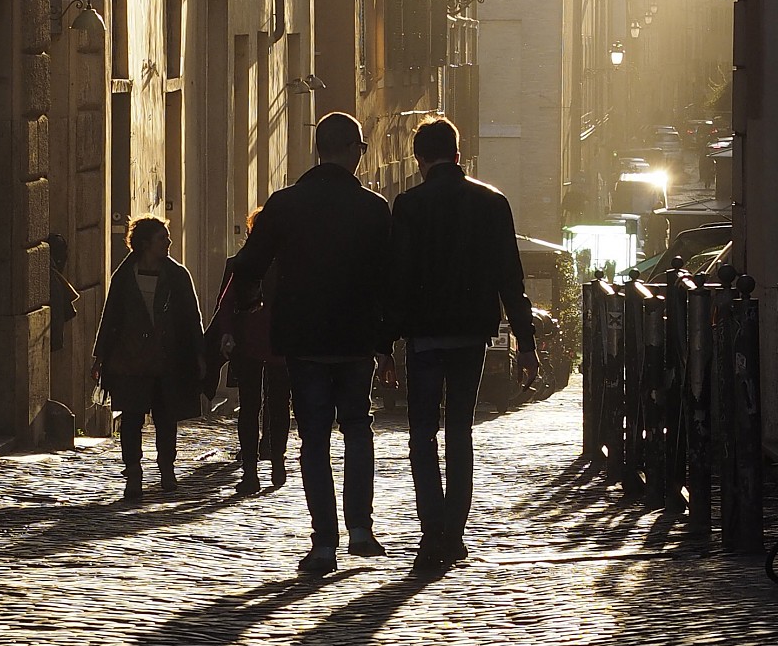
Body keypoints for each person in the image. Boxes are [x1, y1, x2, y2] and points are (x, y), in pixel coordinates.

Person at [229, 112, 394, 578]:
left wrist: (251, 305)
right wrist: (384, 344)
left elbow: (248, 265)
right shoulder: (373, 208)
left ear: (319, 149)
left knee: (314, 439)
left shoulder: (284, 204)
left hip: (302, 340)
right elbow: (387, 281)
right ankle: (360, 530)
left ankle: (324, 542)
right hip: (356, 339)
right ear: (352, 151)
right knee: (358, 430)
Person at [389, 114, 538, 572]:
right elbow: (510, 277)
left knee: (421, 434)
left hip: (425, 334)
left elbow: (397, 277)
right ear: (459, 155)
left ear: (419, 160)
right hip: (472, 333)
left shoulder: (409, 205)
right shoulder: (492, 202)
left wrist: (386, 343)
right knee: (460, 430)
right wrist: (525, 341)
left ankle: (431, 528)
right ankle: (453, 530)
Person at [91, 216, 206, 501]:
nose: (168, 243)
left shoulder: (177, 276)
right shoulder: (125, 276)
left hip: (168, 360)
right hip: (130, 361)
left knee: (166, 417)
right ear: (145, 244)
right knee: (131, 419)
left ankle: (167, 468)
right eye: (162, 239)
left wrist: (200, 356)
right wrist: (100, 356)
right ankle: (133, 472)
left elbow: (192, 318)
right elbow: (111, 317)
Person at [205, 207, 291, 497]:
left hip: (265, 343)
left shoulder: (261, 261)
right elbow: (227, 302)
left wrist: (228, 332)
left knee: (263, 406)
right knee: (264, 406)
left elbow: (225, 303)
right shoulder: (281, 261)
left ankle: (262, 467)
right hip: (263, 343)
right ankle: (263, 467)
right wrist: (227, 332)